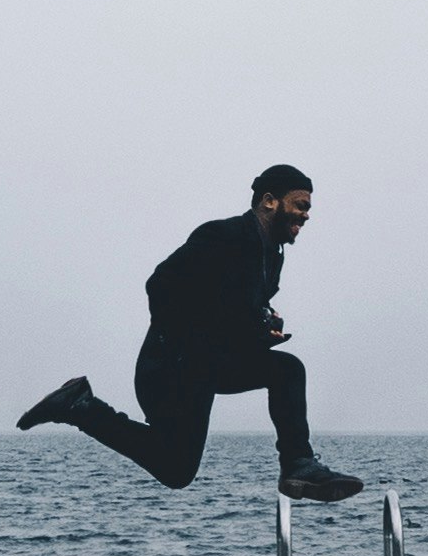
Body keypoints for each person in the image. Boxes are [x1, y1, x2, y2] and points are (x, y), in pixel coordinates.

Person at [20, 163, 363, 499]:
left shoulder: (272, 256)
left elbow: (236, 311)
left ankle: (297, 466)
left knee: (282, 375)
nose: (306, 215)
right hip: (169, 369)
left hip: (206, 368)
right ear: (270, 200)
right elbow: (160, 286)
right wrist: (194, 343)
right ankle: (79, 406)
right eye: (300, 205)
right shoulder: (222, 236)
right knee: (179, 466)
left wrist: (262, 327)